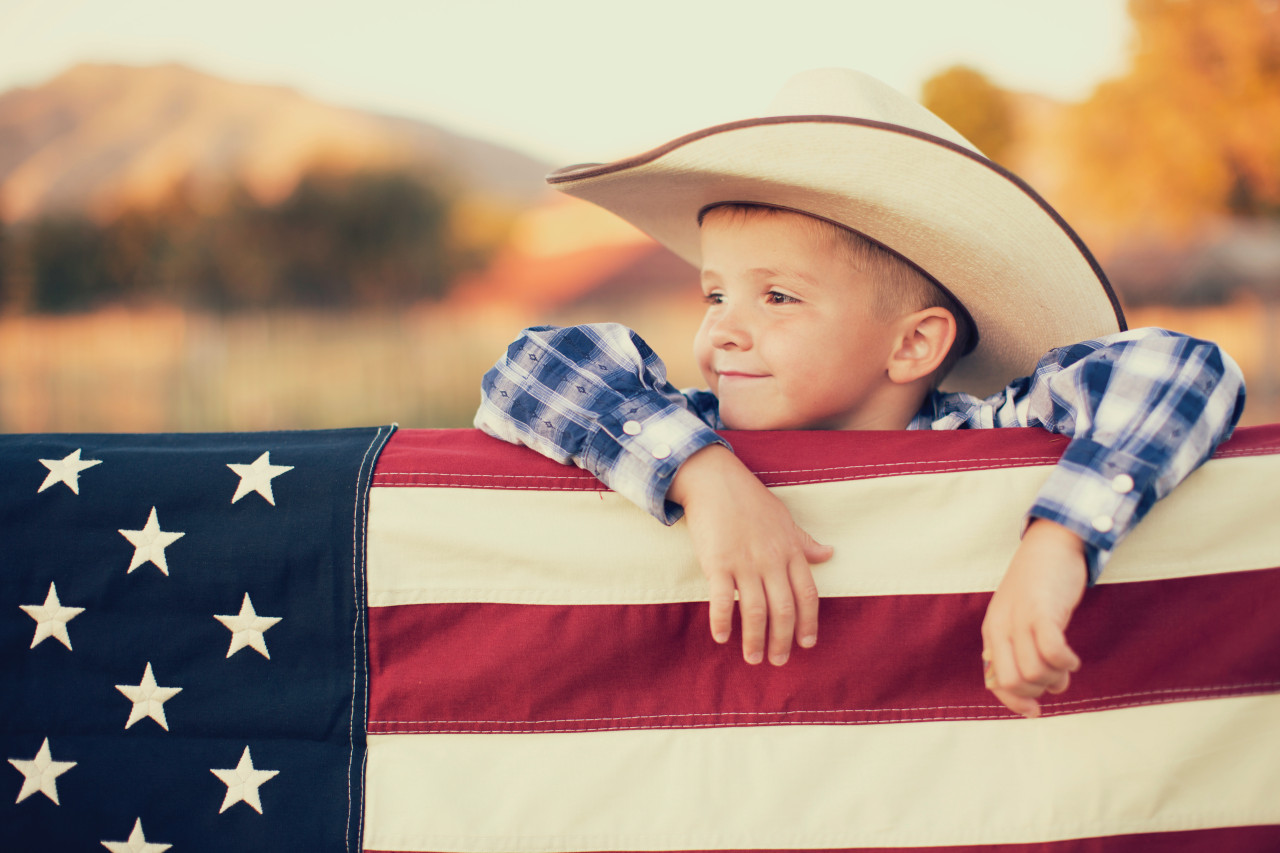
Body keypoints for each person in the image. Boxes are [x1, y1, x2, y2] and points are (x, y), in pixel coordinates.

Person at [474, 69, 1246, 718]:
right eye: (716, 296)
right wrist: (706, 477)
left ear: (913, 344)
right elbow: (529, 366)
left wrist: (1058, 543)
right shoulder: (687, 430)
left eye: (777, 298)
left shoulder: (982, 437)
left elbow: (1180, 371)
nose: (726, 331)